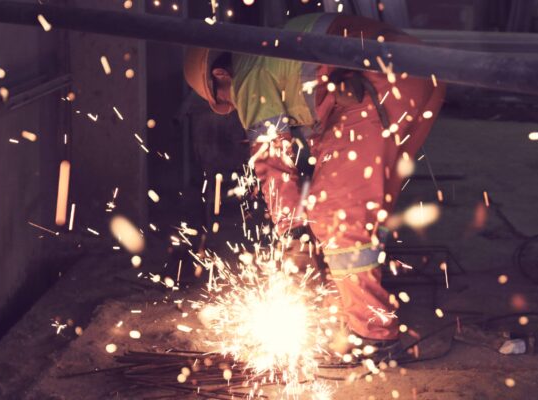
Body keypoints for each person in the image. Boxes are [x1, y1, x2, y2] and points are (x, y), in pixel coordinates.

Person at [184, 12, 445, 355]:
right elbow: (324, 130)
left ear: (221, 75)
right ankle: (351, 308)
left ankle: (374, 336)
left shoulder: (248, 73)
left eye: (223, 99)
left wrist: (292, 230)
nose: (233, 107)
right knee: (362, 209)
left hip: (379, 80)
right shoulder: (276, 54)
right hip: (419, 76)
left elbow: (271, 159)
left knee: (337, 215)